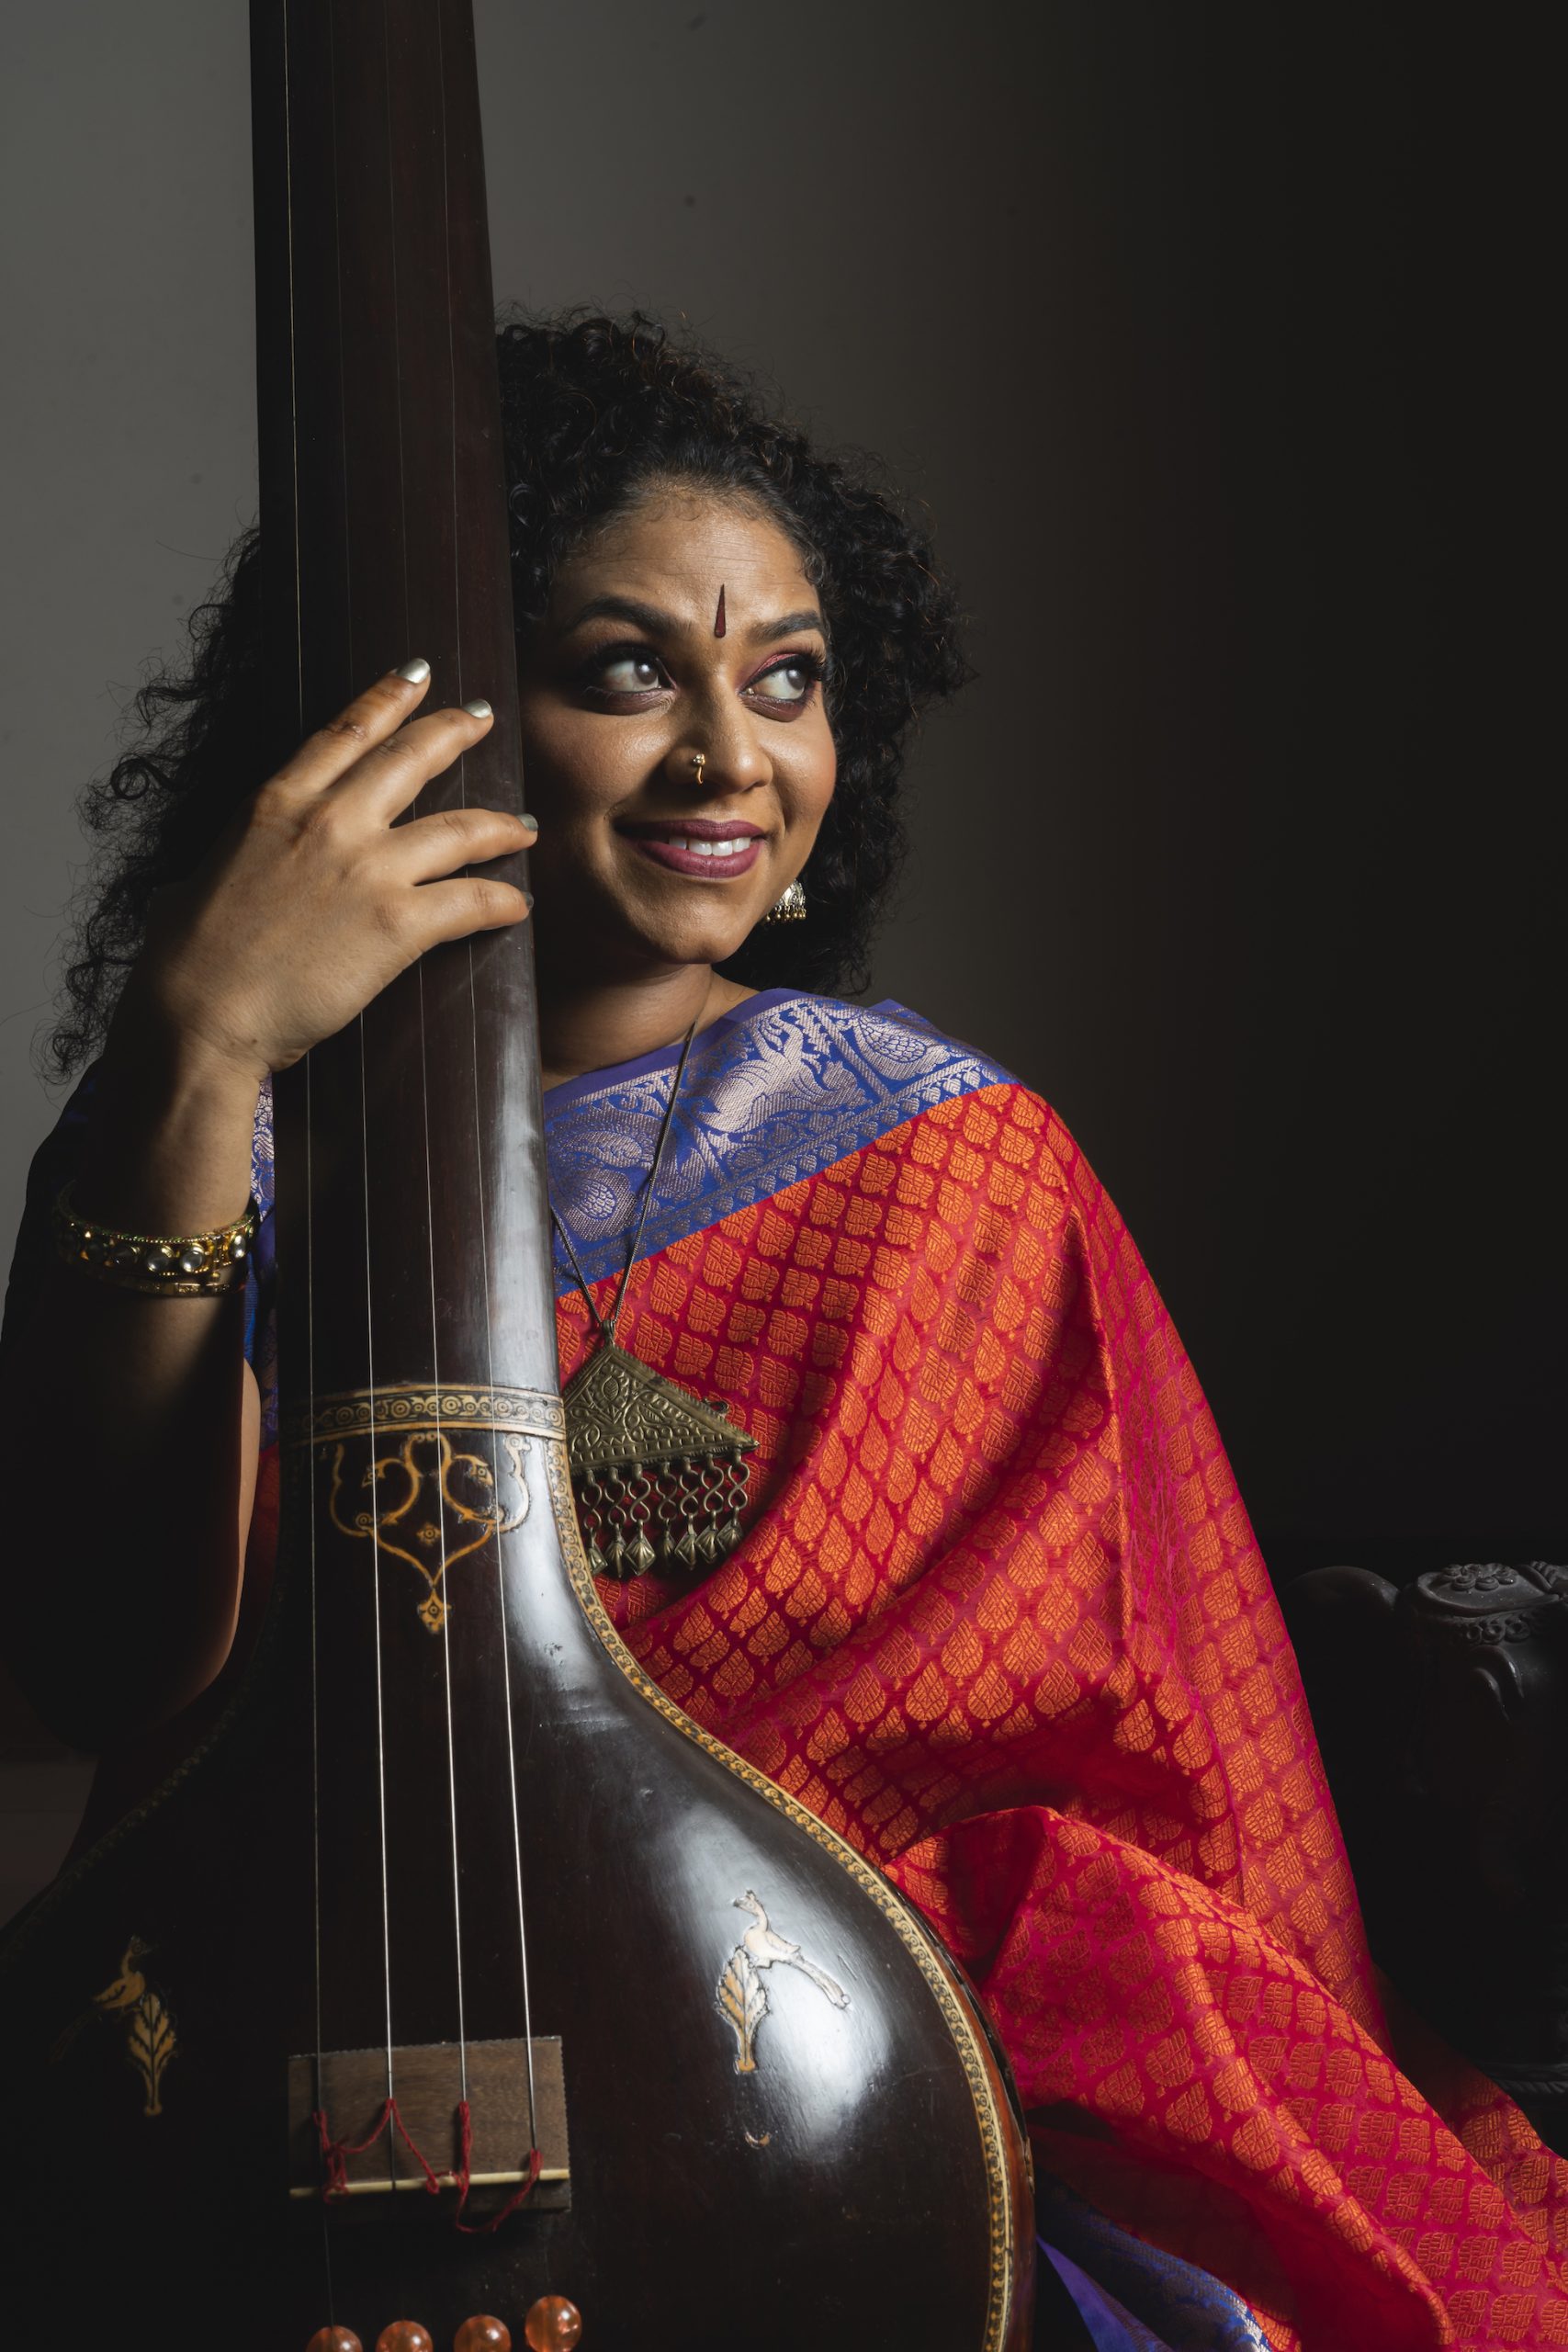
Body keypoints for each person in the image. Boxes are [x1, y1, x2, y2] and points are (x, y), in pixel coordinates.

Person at [1, 313, 1562, 2350]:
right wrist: (196, 1046)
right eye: (629, 669)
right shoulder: (229, 1153)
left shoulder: (939, 1161)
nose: (734, 760)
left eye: (789, 678)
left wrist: (661, 1990)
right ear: (427, 727)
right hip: (300, 2055)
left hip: (834, 2081)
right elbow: (96, 1652)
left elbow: (1109, 1756)